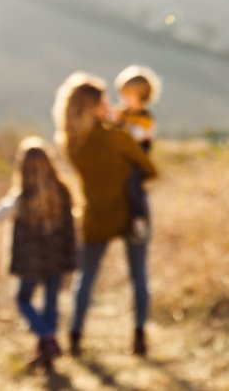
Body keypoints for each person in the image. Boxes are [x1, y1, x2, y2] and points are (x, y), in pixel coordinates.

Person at [53, 72, 159, 357]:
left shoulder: (71, 144)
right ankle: (139, 336)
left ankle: (75, 336)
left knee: (85, 277)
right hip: (132, 211)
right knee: (138, 275)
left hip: (95, 214)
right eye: (104, 100)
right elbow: (149, 168)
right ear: (95, 105)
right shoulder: (117, 137)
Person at [0, 137, 78, 369]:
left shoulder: (22, 197)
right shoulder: (63, 192)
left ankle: (47, 339)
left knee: (23, 299)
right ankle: (47, 343)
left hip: (30, 262)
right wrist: (71, 257)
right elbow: (71, 229)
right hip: (56, 259)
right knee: (51, 303)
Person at [112, 65, 163, 243]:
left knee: (134, 186)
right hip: (122, 161)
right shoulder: (121, 113)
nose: (124, 99)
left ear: (142, 97)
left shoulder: (145, 118)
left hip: (138, 161)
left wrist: (121, 126)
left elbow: (138, 136)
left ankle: (139, 219)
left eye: (128, 96)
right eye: (122, 95)